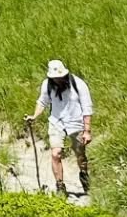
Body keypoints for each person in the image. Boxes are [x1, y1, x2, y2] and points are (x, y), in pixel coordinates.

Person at [26, 59, 93, 196]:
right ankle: (60, 186)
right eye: (55, 78)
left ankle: (84, 174)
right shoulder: (47, 85)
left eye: (60, 77)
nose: (58, 80)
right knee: (55, 153)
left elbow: (87, 107)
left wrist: (87, 131)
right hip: (56, 122)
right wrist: (34, 115)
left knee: (80, 154)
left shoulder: (78, 84)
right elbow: (42, 102)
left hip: (76, 123)